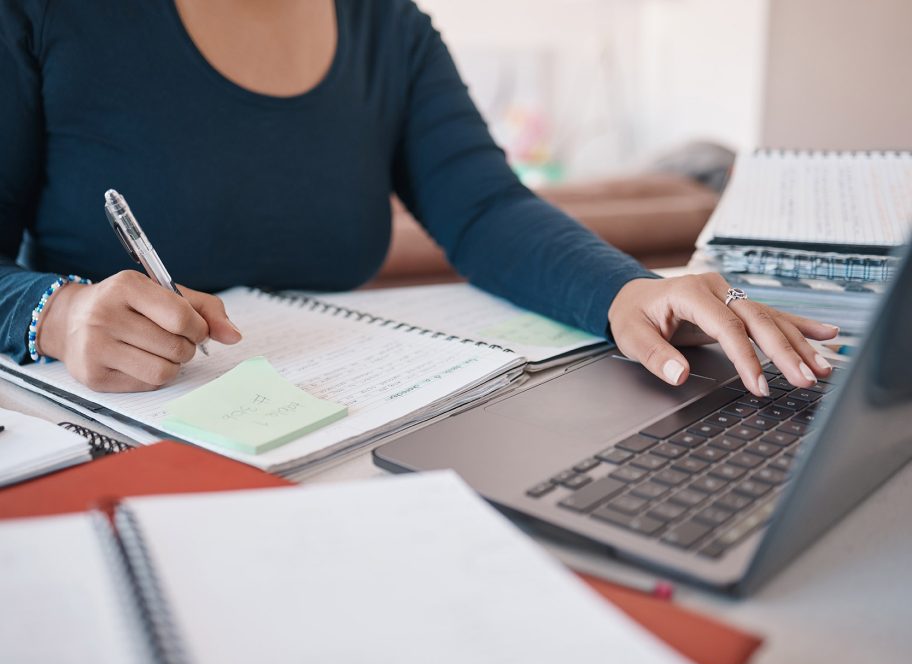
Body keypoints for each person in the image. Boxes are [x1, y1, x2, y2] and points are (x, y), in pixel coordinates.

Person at [0, 0, 836, 395]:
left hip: (333, 426)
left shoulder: (387, 26)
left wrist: (628, 290)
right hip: (119, 432)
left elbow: (483, 209)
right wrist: (59, 315)